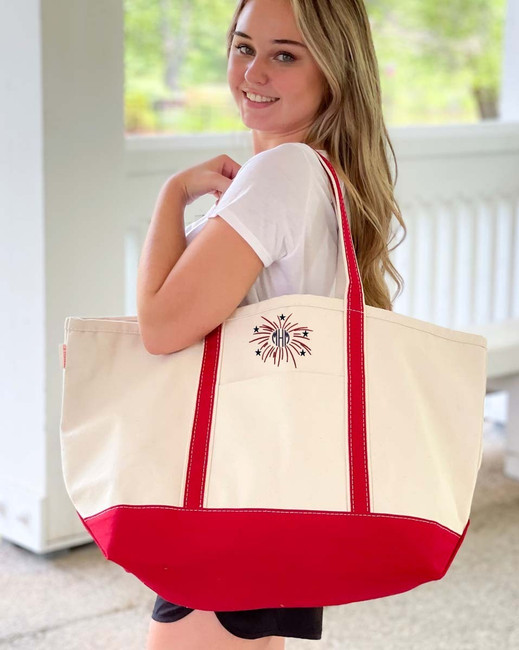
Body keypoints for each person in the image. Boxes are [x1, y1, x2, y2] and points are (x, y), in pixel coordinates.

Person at [137, 0, 406, 647]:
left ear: (334, 70)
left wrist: (171, 196)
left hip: (235, 485)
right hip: (270, 476)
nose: (253, 71)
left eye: (284, 54)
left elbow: (161, 326)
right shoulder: (319, 175)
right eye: (243, 46)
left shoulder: (281, 172)